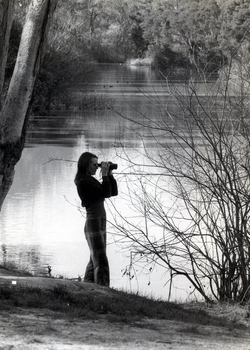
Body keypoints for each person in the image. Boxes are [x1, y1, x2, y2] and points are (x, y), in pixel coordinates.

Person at [74, 152, 118, 287]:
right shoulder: (83, 181)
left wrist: (109, 174)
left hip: (100, 220)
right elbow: (106, 193)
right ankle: (103, 288)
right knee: (100, 258)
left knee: (96, 257)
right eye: (94, 165)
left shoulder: (91, 180)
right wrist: (104, 175)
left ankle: (88, 285)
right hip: (93, 221)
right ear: (85, 165)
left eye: (97, 165)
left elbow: (112, 192)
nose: (97, 168)